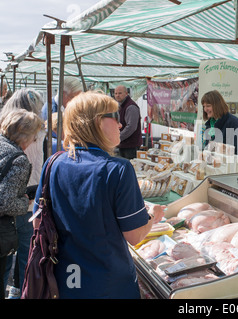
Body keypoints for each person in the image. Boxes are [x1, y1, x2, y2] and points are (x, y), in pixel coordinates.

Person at [31, 91, 165, 299]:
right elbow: (135, 235)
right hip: (109, 284)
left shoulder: (53, 164)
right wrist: (152, 217)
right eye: (115, 117)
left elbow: (38, 222)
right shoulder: (118, 169)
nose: (120, 125)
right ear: (96, 122)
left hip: (64, 280)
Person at [1, 88, 46, 298]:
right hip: (14, 211)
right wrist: (26, 204)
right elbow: (5, 202)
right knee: (23, 249)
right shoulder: (19, 157)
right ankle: (20, 292)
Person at [201, 90, 238, 171]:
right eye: (204, 106)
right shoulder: (210, 125)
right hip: (217, 172)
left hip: (233, 174)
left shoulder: (233, 123)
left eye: (208, 106)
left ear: (217, 106)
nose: (205, 109)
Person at [114, 85, 142, 159]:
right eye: (116, 93)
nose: (117, 95)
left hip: (131, 146)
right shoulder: (121, 106)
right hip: (124, 144)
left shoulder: (131, 107)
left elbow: (131, 127)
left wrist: (118, 138)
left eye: (120, 93)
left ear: (126, 93)